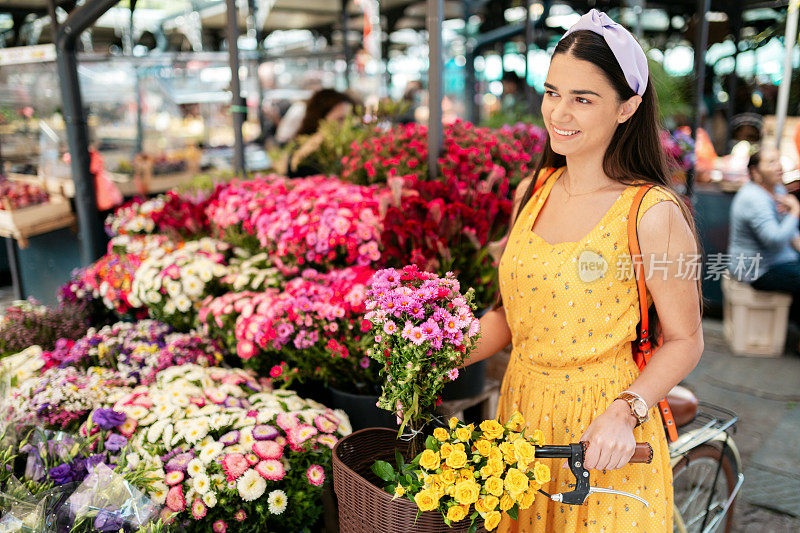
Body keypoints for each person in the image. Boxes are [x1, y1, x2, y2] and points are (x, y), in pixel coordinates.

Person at [462, 10, 703, 531]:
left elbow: (686, 339)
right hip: (520, 425)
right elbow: (512, 318)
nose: (559, 113)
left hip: (606, 435)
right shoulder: (533, 193)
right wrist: (434, 354)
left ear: (628, 108)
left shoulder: (651, 212)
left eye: (583, 98)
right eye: (552, 93)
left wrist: (626, 412)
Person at [728, 148, 800, 321]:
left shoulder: (778, 191)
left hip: (778, 262)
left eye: (778, 160)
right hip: (758, 270)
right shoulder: (753, 198)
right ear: (755, 171)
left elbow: (791, 234)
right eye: (771, 162)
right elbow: (774, 240)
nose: (779, 166)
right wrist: (795, 210)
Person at [277, 88, 354, 178]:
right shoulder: (305, 152)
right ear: (320, 119)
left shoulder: (349, 146)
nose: (347, 125)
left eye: (350, 118)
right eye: (340, 119)